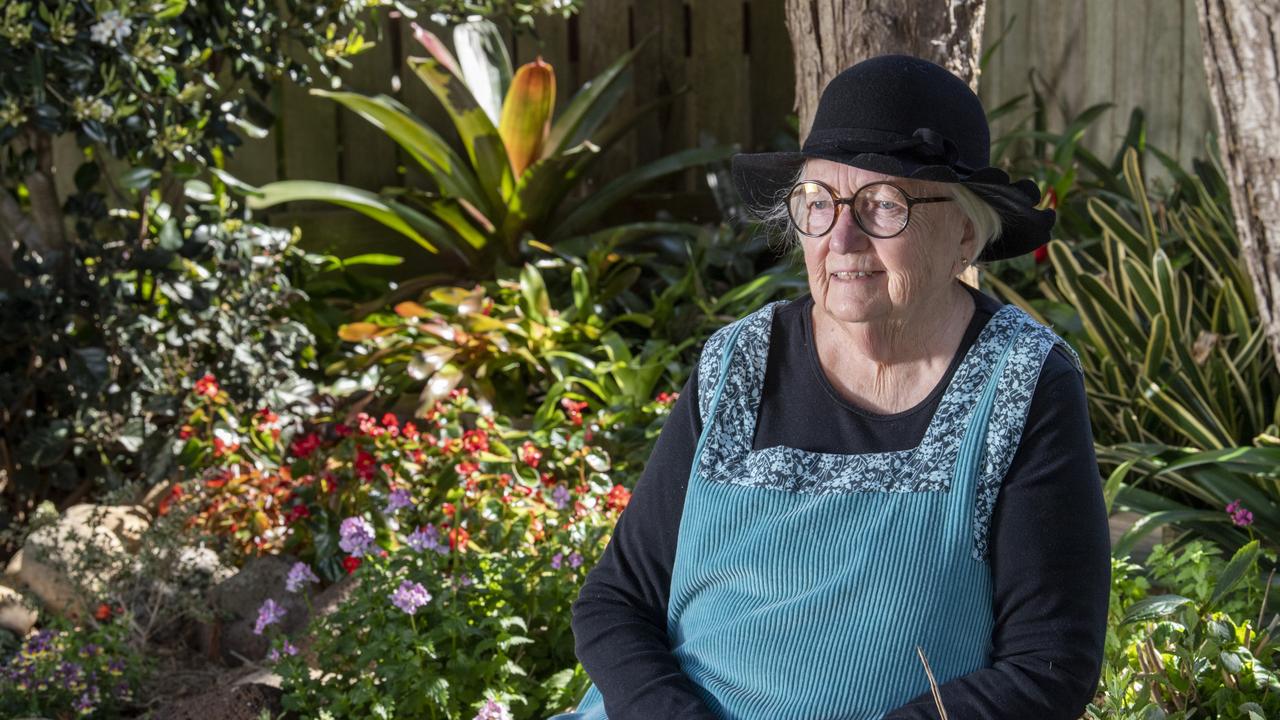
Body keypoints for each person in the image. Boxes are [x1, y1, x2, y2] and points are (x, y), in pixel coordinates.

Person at [549, 54, 1110, 720]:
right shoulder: (738, 361)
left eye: (883, 205)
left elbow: (1048, 666)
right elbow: (616, 602)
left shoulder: (1022, 383)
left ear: (964, 232)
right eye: (820, 203)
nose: (841, 237)